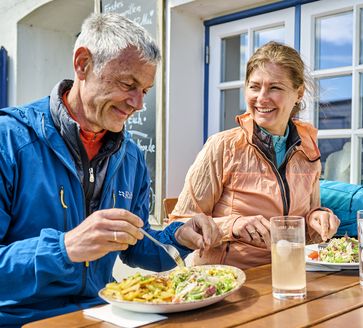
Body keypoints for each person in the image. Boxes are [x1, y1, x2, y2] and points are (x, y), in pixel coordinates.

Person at [0, 13, 221, 326]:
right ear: (83, 64)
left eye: (145, 90)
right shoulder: (9, 139)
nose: (138, 103)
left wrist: (179, 237)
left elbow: (137, 248)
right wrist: (65, 249)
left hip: (99, 314)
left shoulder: (130, 155)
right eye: (128, 84)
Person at [169, 42, 340, 269]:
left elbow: (307, 215)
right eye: (254, 86)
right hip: (226, 281)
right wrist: (233, 225)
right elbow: (180, 225)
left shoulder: (308, 150)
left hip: (290, 273)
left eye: (275, 88)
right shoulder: (223, 146)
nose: (261, 98)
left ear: (298, 93)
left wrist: (317, 217)